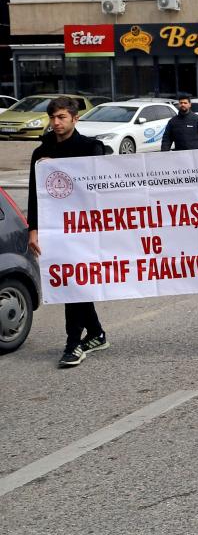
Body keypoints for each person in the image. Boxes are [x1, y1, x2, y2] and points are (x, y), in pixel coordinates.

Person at [27, 97, 109, 367]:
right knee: (71, 282)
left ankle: (73, 343)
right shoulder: (40, 153)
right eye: (53, 118)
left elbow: (100, 183)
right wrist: (33, 229)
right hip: (54, 228)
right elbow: (34, 195)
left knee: (72, 283)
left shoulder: (90, 147)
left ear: (75, 118)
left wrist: (60, 167)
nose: (56, 123)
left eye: (62, 117)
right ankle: (96, 333)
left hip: (84, 227)